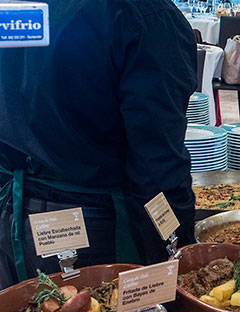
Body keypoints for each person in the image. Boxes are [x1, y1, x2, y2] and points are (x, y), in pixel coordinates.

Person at [0, 0, 197, 288]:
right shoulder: (146, 15)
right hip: (93, 231)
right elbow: (157, 168)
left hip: (10, 217)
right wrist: (179, 252)